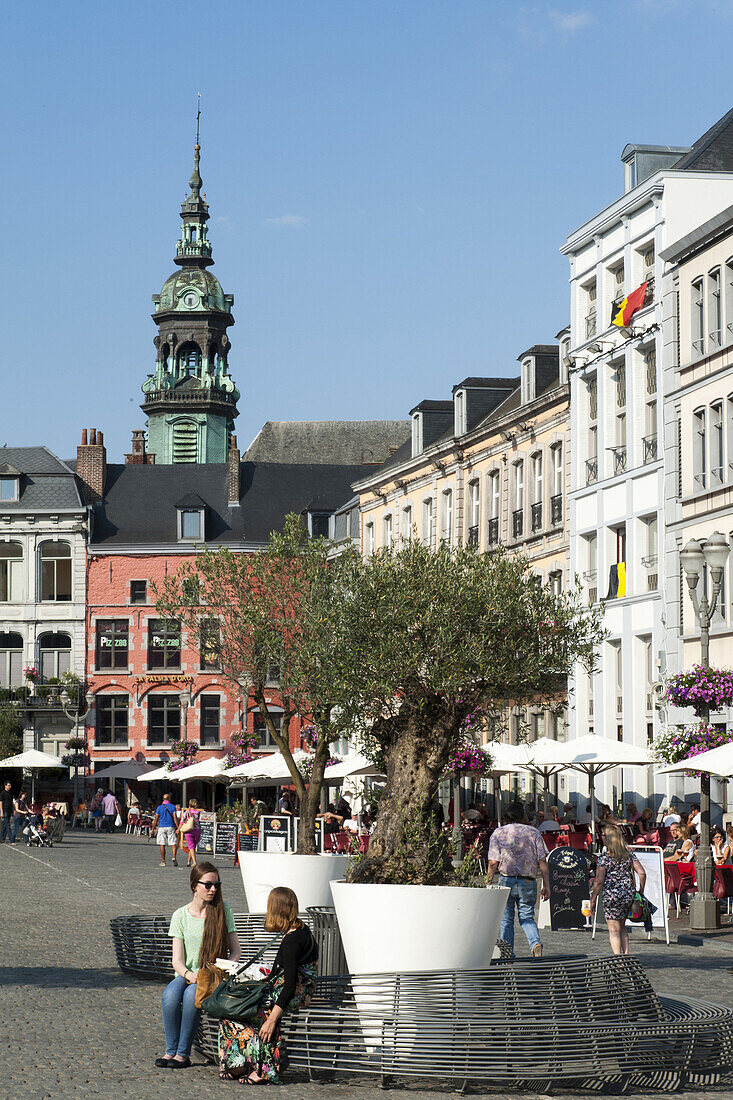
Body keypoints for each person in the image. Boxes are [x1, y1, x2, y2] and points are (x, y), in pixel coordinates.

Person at [219, 886, 318, 1085]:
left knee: (247, 1012)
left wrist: (272, 1019)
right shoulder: (298, 930)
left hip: (296, 993)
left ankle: (263, 1070)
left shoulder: (292, 941)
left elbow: (289, 985)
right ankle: (243, 1063)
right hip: (294, 989)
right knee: (238, 1010)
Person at [157, 861, 239, 1069]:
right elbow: (177, 960)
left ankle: (182, 1054)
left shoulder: (223, 911)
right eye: (208, 885)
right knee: (169, 997)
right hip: (187, 974)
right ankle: (170, 1050)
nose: (213, 889)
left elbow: (236, 951)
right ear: (194, 885)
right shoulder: (181, 915)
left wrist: (223, 969)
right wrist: (188, 975)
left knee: (191, 995)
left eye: (216, 885)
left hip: (212, 977)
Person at [487, 804, 549, 959]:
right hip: (527, 880)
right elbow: (543, 861)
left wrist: (488, 882)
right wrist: (546, 885)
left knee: (506, 919)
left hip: (506, 880)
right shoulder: (533, 832)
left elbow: (493, 862)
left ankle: (507, 954)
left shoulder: (498, 833)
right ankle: (535, 943)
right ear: (523, 816)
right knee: (527, 916)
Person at [590, 824, 646, 956]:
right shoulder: (629, 854)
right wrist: (640, 891)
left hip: (611, 896)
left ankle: (618, 958)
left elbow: (599, 881)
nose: (601, 837)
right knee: (622, 927)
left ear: (608, 838)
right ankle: (626, 955)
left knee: (613, 930)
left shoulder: (604, 858)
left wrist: (593, 898)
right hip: (628, 894)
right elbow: (642, 873)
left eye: (603, 835)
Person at [152, 793, 180, 868]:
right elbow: (174, 817)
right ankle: (174, 857)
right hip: (171, 826)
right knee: (173, 842)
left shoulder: (159, 807)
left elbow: (156, 819)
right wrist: (178, 827)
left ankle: (163, 861)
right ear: (169, 799)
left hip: (161, 827)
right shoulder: (173, 807)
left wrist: (152, 829)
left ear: (163, 799)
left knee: (162, 844)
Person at [179, 799, 202, 868]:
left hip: (189, 830)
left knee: (191, 846)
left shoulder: (187, 812)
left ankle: (194, 862)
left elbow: (182, 821)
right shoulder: (198, 812)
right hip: (197, 830)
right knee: (193, 846)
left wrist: (178, 829)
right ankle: (188, 862)